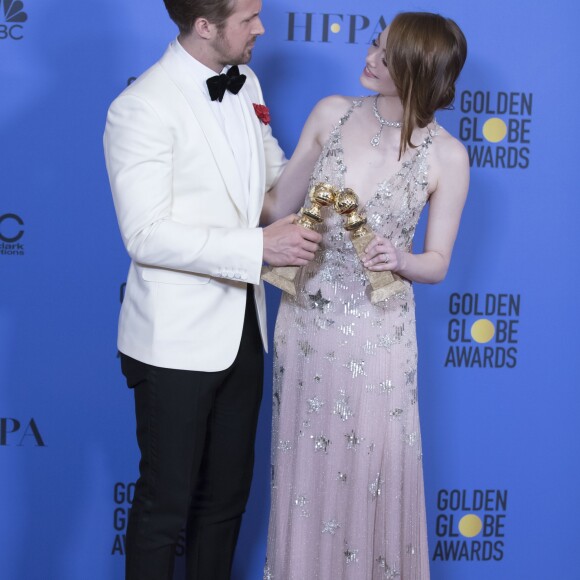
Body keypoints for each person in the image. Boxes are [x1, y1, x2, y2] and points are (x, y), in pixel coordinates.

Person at [103, 0, 321, 578]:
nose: (262, 29)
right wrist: (258, 249)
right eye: (249, 19)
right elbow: (146, 235)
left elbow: (274, 194)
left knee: (225, 505)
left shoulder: (245, 79)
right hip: (173, 343)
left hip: (244, 333)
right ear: (205, 26)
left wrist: (326, 144)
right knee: (164, 508)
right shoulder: (141, 106)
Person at [262, 12, 469, 580]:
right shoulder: (332, 113)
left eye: (386, 55)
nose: (371, 58)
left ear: (417, 73)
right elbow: (277, 208)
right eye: (375, 45)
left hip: (380, 334)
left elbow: (438, 263)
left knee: (375, 468)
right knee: (306, 477)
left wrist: (399, 259)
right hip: (305, 325)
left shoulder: (447, 156)